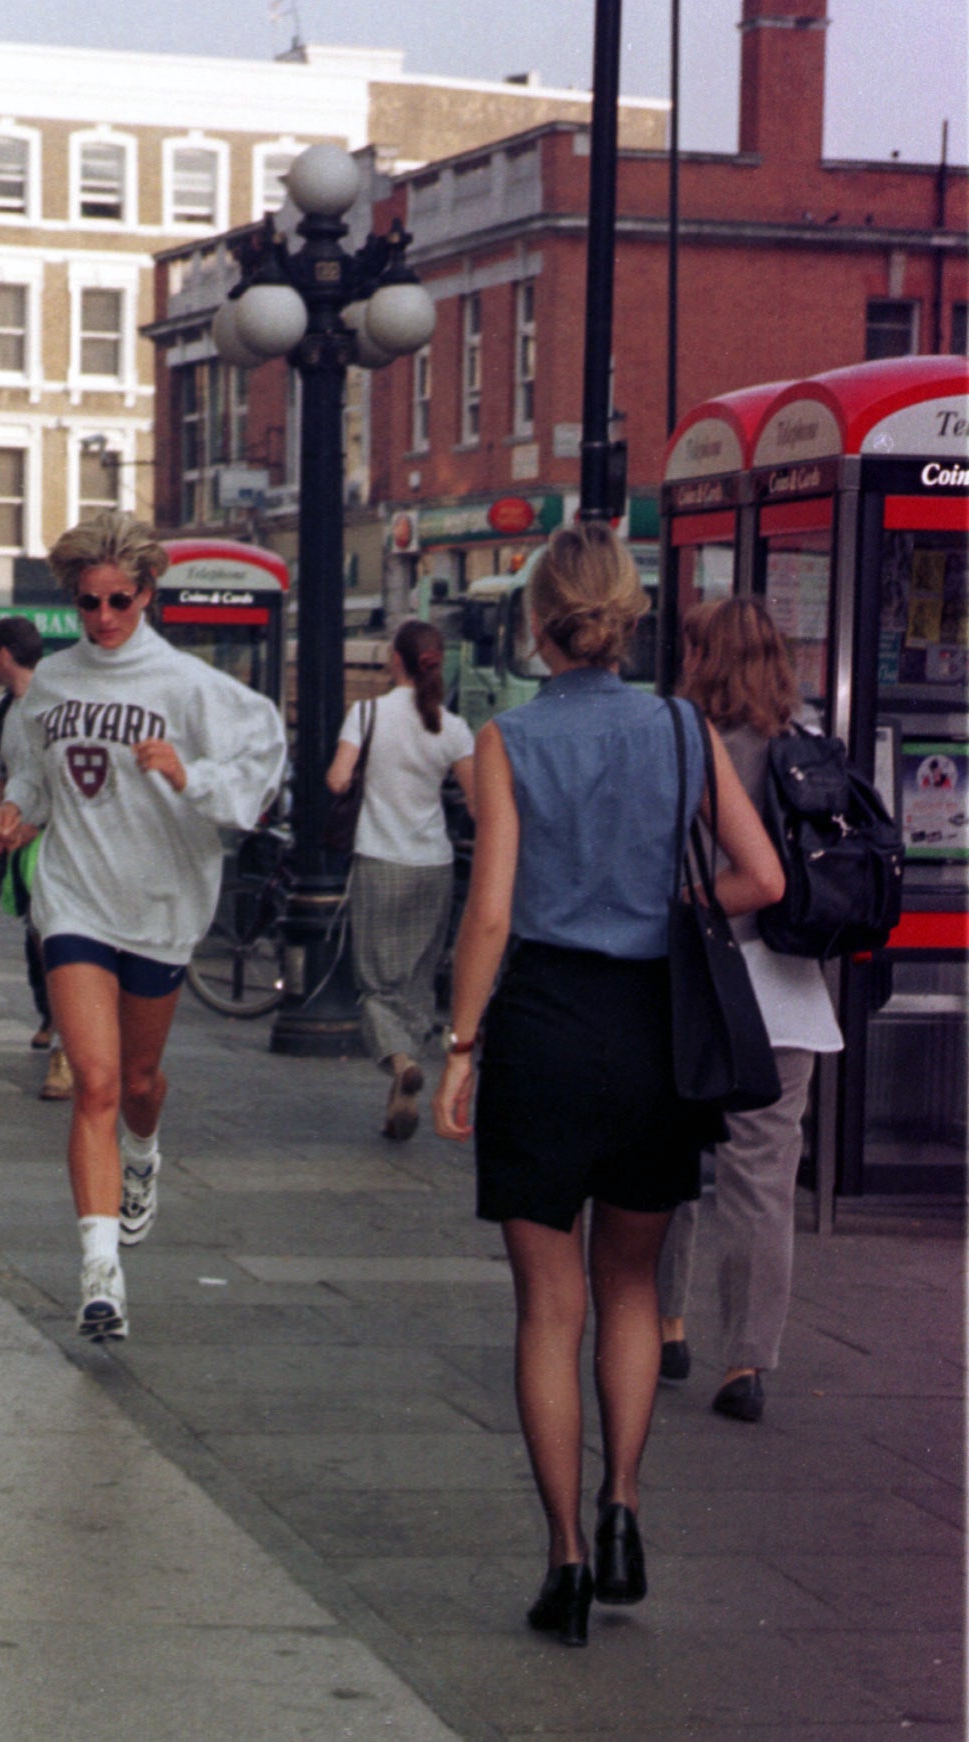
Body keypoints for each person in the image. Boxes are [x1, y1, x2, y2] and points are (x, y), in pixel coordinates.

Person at [432, 523, 784, 1648]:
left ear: (537, 625)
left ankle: (565, 1561)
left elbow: (488, 910)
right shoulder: (684, 729)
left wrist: (458, 1045)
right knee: (630, 1287)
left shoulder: (506, 738)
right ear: (627, 617)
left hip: (540, 1026)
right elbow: (761, 876)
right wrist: (670, 912)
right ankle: (623, 1502)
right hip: (652, 1030)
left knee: (548, 1305)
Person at [0, 510, 286, 1341]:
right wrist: (16, 812)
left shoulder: (189, 687)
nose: (106, 618)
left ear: (149, 594)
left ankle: (144, 1158)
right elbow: (33, 777)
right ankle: (100, 1274)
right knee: (96, 1081)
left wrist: (189, 774)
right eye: (89, 604)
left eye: (121, 600)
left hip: (159, 904)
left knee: (142, 1083)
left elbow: (260, 773)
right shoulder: (50, 684)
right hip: (77, 899)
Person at [656, 597, 843, 1425]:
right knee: (761, 1181)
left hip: (697, 989)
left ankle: (665, 1324)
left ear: (705, 657)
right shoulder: (805, 748)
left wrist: (682, 906)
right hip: (792, 994)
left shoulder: (689, 749)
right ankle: (746, 1362)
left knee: (670, 1165)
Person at [327, 619, 474, 1141]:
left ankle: (400, 1060)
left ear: (396, 660)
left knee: (374, 982)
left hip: (379, 860)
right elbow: (477, 802)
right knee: (416, 979)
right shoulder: (453, 727)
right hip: (433, 865)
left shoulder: (366, 713)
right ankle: (401, 1092)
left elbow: (339, 779)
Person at [0, 615, 61, 1072]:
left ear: (5, 655)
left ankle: (57, 1018)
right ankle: (46, 1010)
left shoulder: (53, 702)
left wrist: (33, 824)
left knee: (52, 929)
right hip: (18, 835)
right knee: (34, 931)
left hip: (54, 835)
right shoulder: (4, 706)